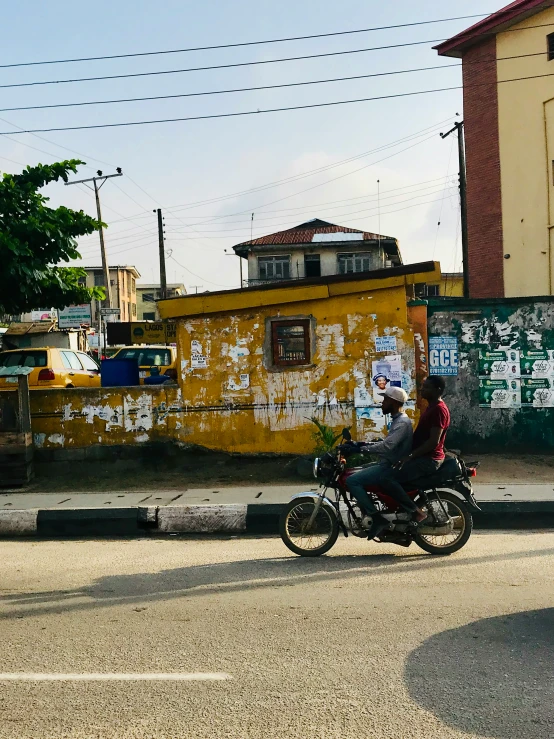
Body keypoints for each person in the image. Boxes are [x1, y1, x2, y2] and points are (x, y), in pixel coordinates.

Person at [376, 375, 450, 531]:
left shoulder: (439, 410)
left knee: (386, 478)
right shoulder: (431, 407)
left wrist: (409, 456)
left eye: (427, 387)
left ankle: (415, 512)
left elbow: (433, 441)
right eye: (422, 386)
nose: (422, 389)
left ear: (438, 390)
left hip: (428, 460)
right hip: (424, 457)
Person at [346, 387, 412, 526]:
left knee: (352, 481)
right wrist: (359, 444)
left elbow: (386, 447)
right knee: (357, 470)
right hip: (387, 462)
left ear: (393, 402)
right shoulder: (397, 420)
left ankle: (376, 518)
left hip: (390, 465)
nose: (382, 403)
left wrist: (360, 449)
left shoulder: (401, 423)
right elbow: (386, 443)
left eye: (385, 400)